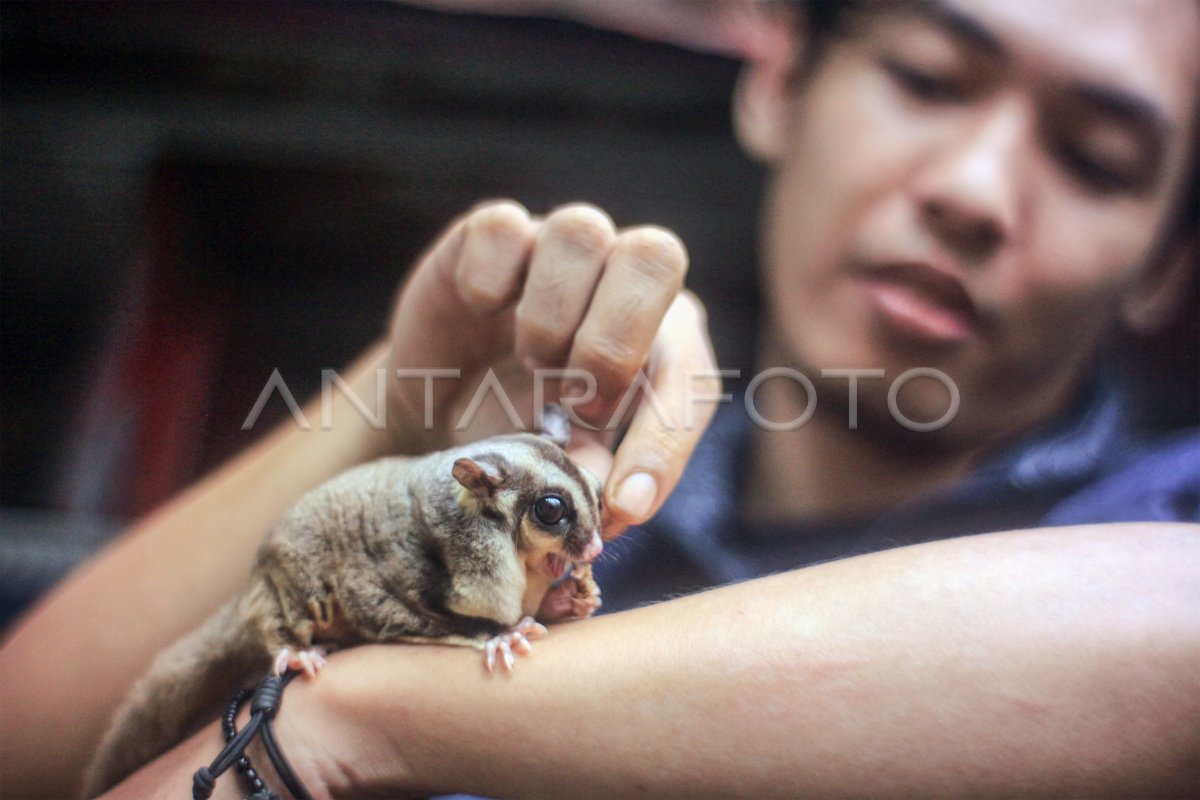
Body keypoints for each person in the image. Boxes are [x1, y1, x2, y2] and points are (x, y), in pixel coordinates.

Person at [2, 0, 1197, 797]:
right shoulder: (584, 467)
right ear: (781, 77)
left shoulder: (1154, 519)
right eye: (929, 78)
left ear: (1166, 265)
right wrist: (396, 399)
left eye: (1095, 159)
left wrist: (355, 723)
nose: (978, 190)